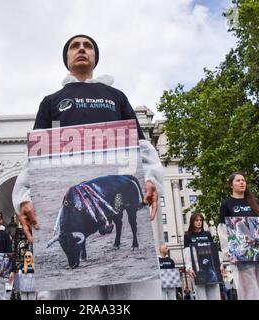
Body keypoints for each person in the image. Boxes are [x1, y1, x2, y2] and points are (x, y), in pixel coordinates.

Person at [12, 34, 164, 300]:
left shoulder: (116, 97)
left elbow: (141, 144)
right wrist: (23, 196)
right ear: (67, 59)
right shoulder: (51, 101)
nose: (81, 49)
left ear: (95, 57)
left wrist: (152, 178)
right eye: (75, 46)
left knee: (127, 294)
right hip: (81, 179)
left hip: (115, 180)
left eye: (88, 46)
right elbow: (35, 155)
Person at [217, 171, 259, 300]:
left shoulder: (255, 202)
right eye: (238, 180)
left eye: (243, 180)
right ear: (231, 185)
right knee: (248, 288)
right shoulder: (226, 204)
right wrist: (228, 251)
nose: (242, 182)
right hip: (242, 253)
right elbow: (222, 229)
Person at [184, 213, 225, 300]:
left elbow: (214, 251)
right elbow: (187, 254)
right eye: (196, 220)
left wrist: (220, 263)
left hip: (211, 268)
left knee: (215, 295)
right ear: (192, 222)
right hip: (197, 270)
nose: (199, 222)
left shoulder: (207, 234)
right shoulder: (187, 236)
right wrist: (189, 268)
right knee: (201, 296)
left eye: (200, 220)